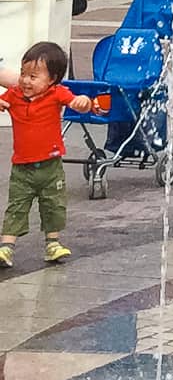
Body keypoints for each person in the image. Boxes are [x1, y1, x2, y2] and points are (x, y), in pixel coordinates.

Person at [0, 41, 106, 267]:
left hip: (51, 165)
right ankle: (6, 247)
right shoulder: (14, 94)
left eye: (33, 76)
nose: (26, 81)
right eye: (23, 74)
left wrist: (83, 102)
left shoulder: (57, 93)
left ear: (52, 79)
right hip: (22, 166)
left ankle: (53, 243)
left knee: (53, 205)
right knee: (17, 206)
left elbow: (80, 103)